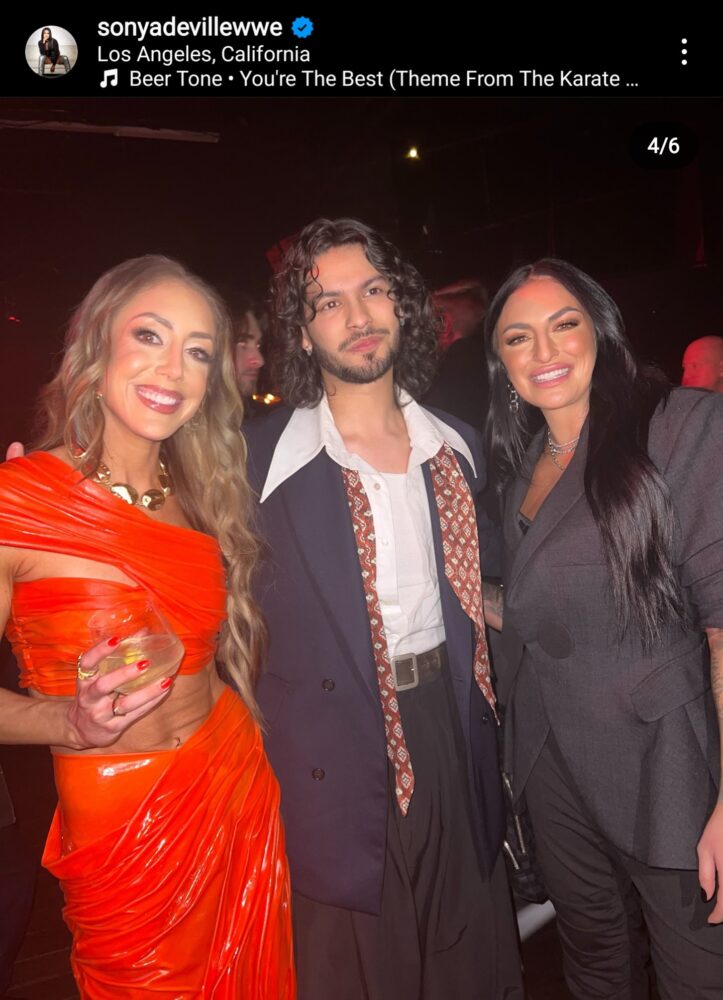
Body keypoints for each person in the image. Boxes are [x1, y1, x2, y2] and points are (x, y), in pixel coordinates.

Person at [0, 256, 294, 998]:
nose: (175, 368)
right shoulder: (21, 499)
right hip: (121, 816)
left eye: (198, 351)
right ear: (98, 349)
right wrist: (66, 719)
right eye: (151, 336)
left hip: (228, 778)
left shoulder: (202, 495)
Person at [244, 217, 523, 999]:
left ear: (404, 307)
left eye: (372, 291)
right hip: (325, 753)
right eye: (327, 302)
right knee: (359, 970)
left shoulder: (458, 446)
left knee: (464, 957)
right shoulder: (254, 463)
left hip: (448, 725)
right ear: (300, 333)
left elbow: (491, 594)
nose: (357, 316)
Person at [483, 258, 723, 999]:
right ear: (501, 363)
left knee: (695, 971)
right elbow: (532, 604)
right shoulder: (518, 465)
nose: (544, 353)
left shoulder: (677, 422)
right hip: (550, 757)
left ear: (601, 330)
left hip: (663, 755)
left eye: (563, 326)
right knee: (592, 959)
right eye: (518, 338)